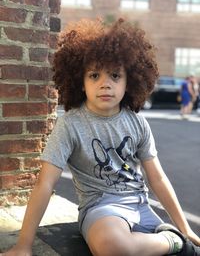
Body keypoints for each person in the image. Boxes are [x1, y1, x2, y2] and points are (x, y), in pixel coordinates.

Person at [1, 18, 200, 256]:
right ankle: (172, 241)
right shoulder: (70, 124)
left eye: (115, 76)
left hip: (141, 206)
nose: (105, 84)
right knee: (112, 248)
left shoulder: (137, 122)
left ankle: (174, 236)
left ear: (129, 82)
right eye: (94, 75)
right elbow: (45, 184)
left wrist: (185, 227)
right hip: (101, 210)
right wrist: (23, 245)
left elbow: (157, 178)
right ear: (81, 82)